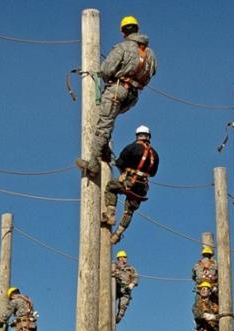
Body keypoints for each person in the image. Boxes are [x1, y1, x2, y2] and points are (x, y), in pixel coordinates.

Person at [75, 16, 157, 177]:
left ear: (122, 32)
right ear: (137, 29)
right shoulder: (150, 53)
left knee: (103, 124)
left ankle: (92, 163)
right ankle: (103, 149)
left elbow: (106, 70)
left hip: (117, 90)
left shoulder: (123, 47)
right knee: (108, 119)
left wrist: (107, 78)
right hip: (133, 96)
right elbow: (152, 72)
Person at [103, 125, 160, 244]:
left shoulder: (131, 148)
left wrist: (123, 173)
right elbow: (153, 173)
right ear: (148, 136)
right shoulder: (155, 155)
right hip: (142, 188)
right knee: (129, 211)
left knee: (111, 187)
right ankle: (117, 234)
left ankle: (110, 214)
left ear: (137, 136)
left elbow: (119, 162)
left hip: (129, 181)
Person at [112, 250, 139, 324]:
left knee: (122, 308)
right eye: (124, 257)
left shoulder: (130, 268)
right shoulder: (113, 266)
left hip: (126, 289)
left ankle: (115, 321)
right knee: (109, 302)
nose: (126, 258)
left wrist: (132, 285)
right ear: (120, 258)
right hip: (116, 287)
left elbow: (136, 277)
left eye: (126, 257)